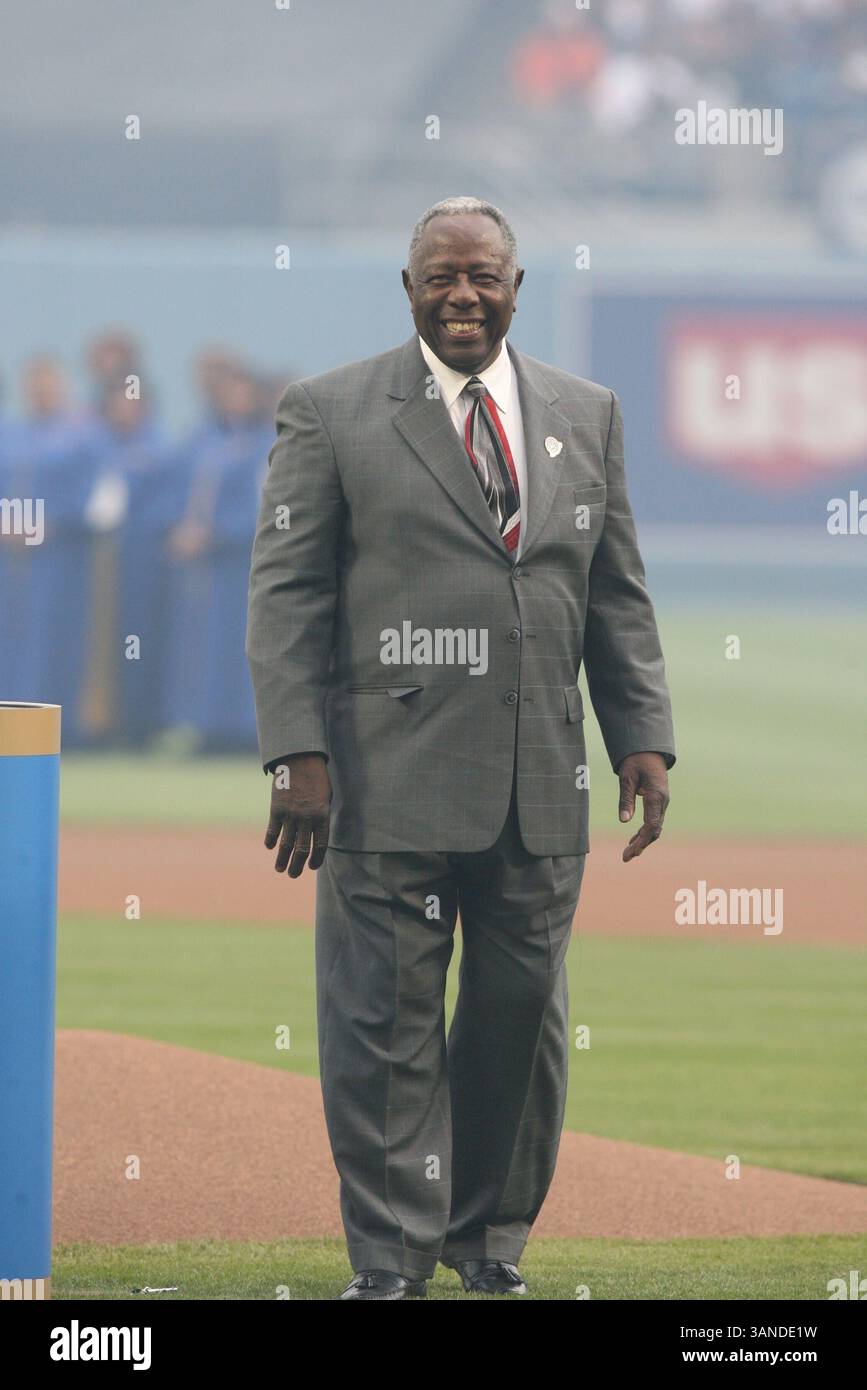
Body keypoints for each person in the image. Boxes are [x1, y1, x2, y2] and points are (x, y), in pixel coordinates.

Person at [246, 196, 676, 1300]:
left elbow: (614, 593)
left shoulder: (589, 414)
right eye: (441, 276)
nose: (463, 295)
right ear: (409, 289)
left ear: (517, 288)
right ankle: (389, 1259)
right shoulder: (330, 412)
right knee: (380, 1021)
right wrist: (297, 750)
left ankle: (488, 1241)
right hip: (385, 782)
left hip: (543, 785)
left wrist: (642, 736)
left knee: (519, 1024)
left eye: (483, 276)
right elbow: (285, 592)